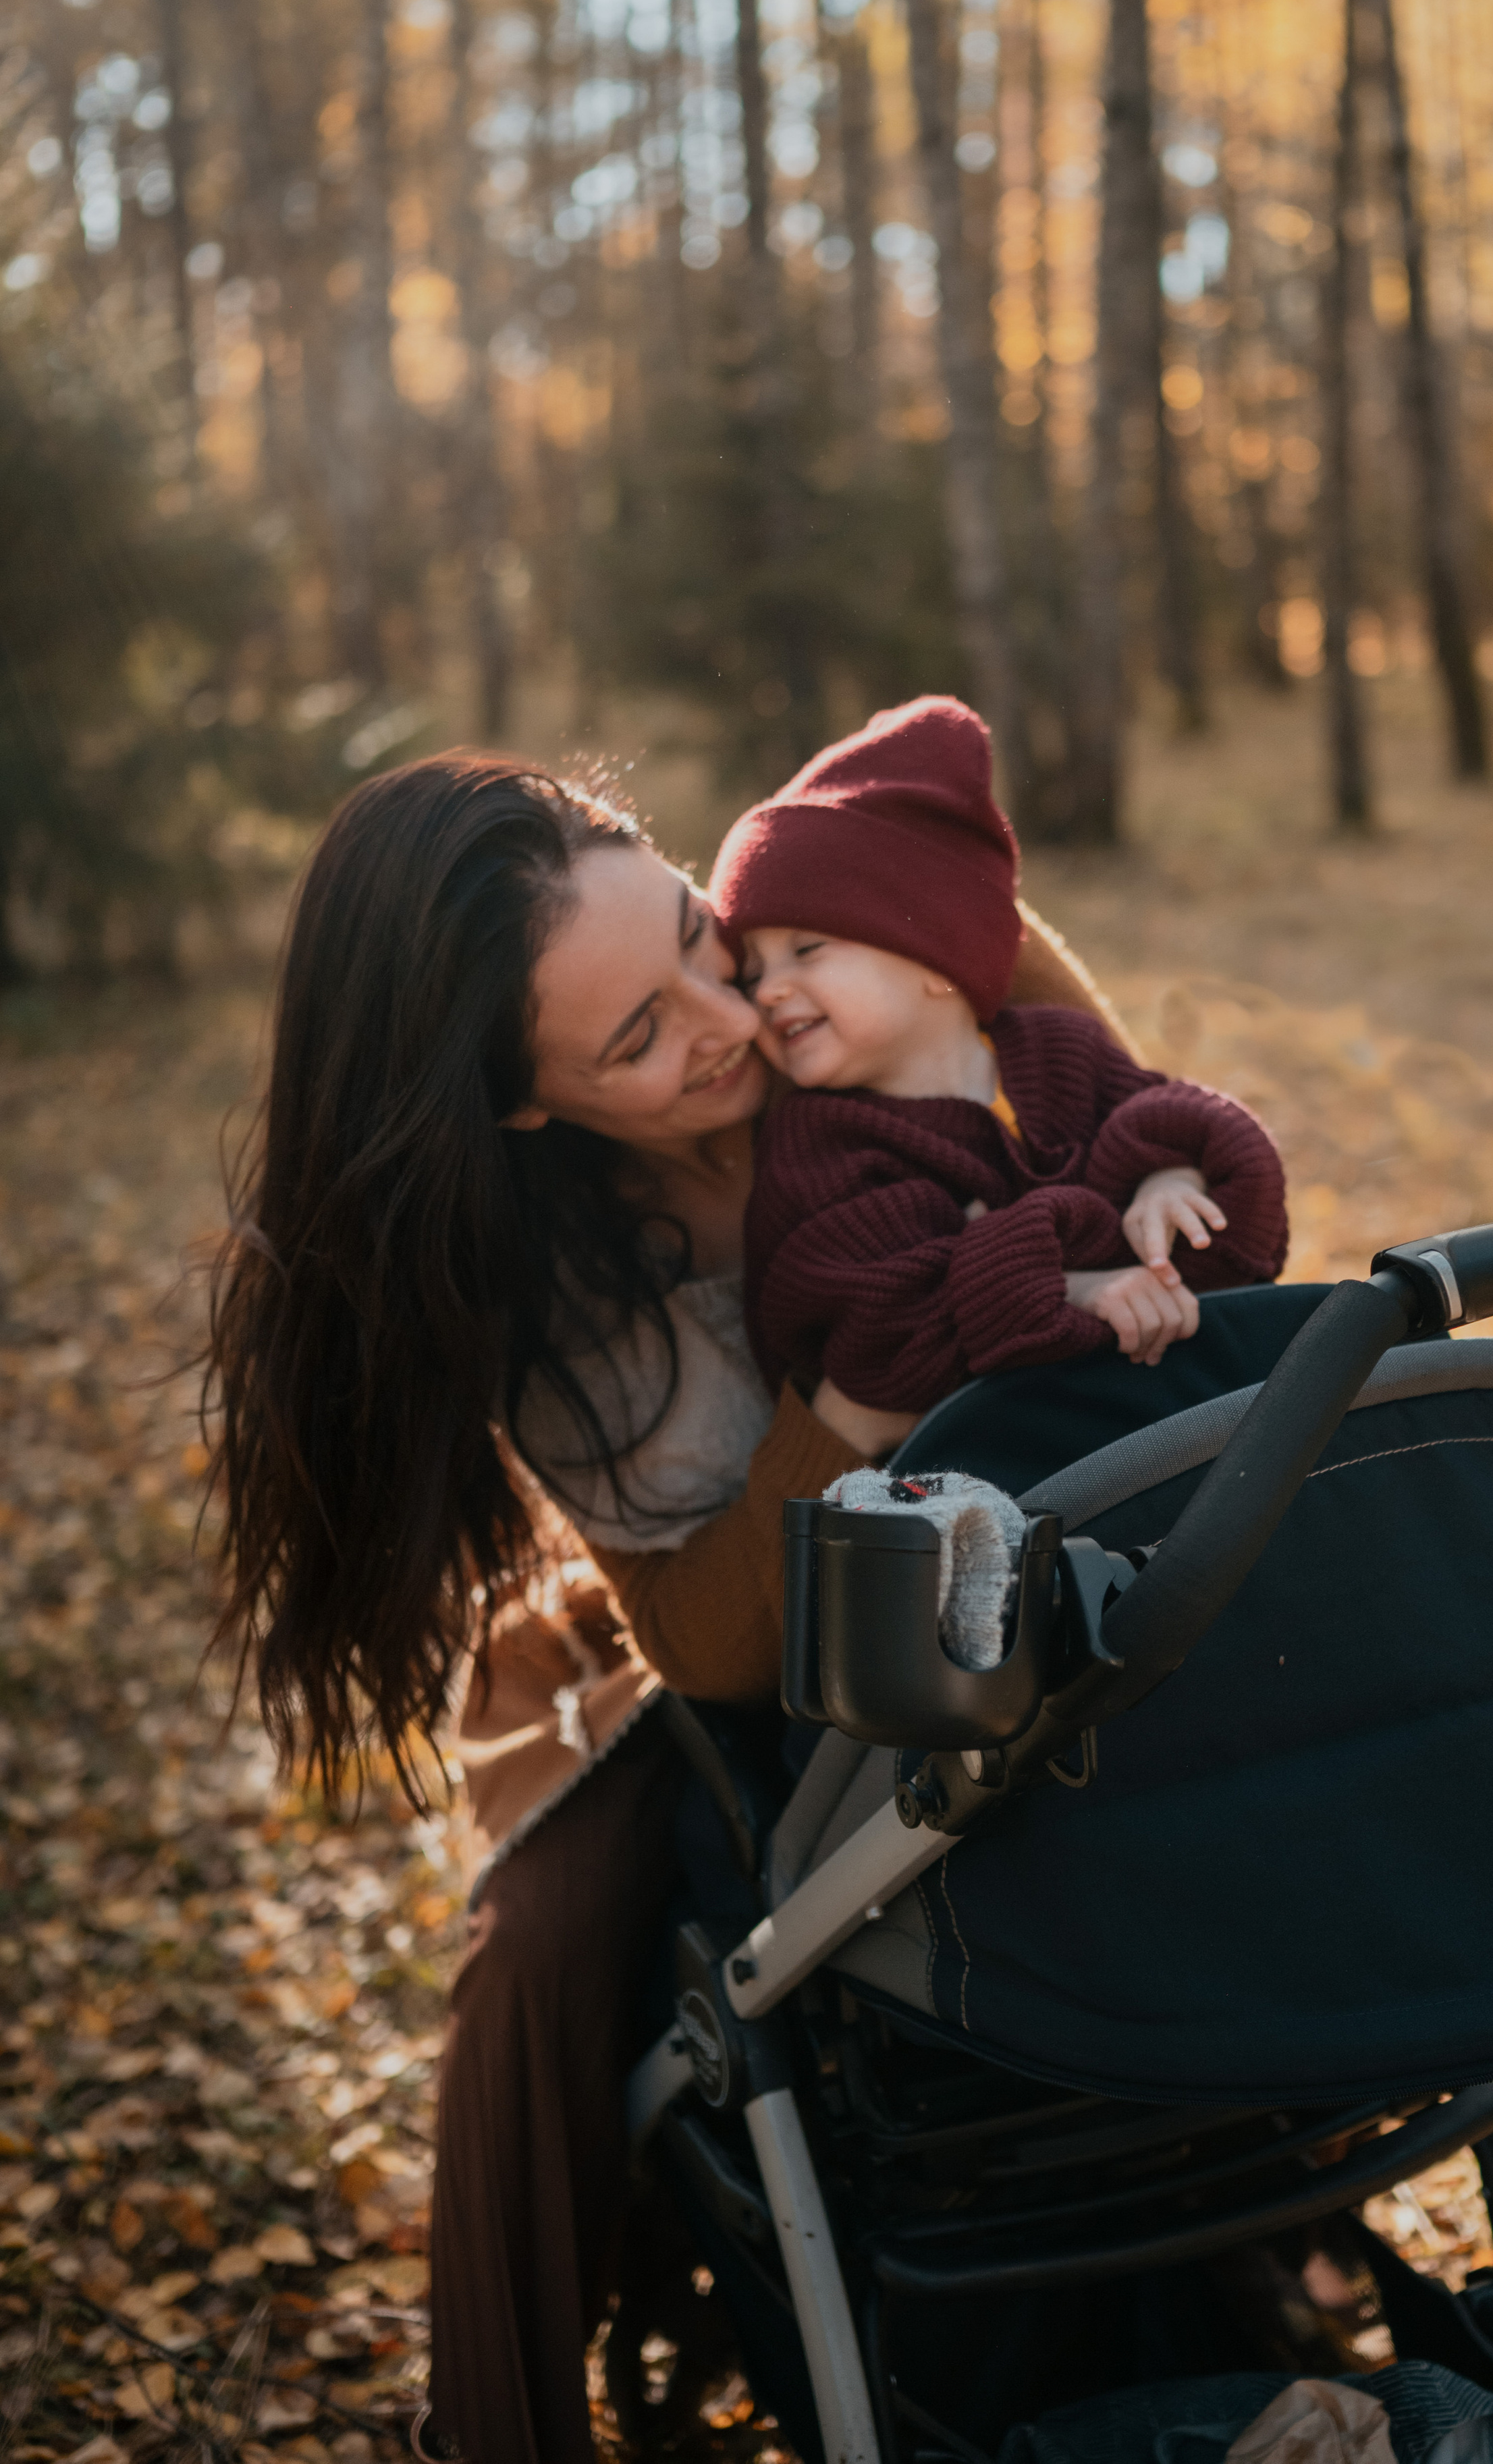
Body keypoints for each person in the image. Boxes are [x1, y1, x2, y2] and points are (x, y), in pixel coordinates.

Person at [203, 748, 1137, 2464]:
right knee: (550, 1937)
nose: (728, 1015)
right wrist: (855, 1396)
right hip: (720, 1653)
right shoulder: (557, 1299)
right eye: (636, 1035)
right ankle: (496, 2415)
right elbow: (706, 1635)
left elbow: (1126, 1111)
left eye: (700, 938)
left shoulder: (830, 934)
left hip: (1056, 1540)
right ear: (521, 1104)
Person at [711, 696, 1288, 1408]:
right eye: (752, 970)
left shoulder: (1057, 1051)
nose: (769, 992)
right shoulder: (820, 1145)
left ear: (932, 957)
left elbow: (1189, 1130)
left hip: (1173, 1429)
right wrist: (1078, 1287)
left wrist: (1170, 1182)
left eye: (805, 950)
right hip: (984, 1490)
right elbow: (876, 1331)